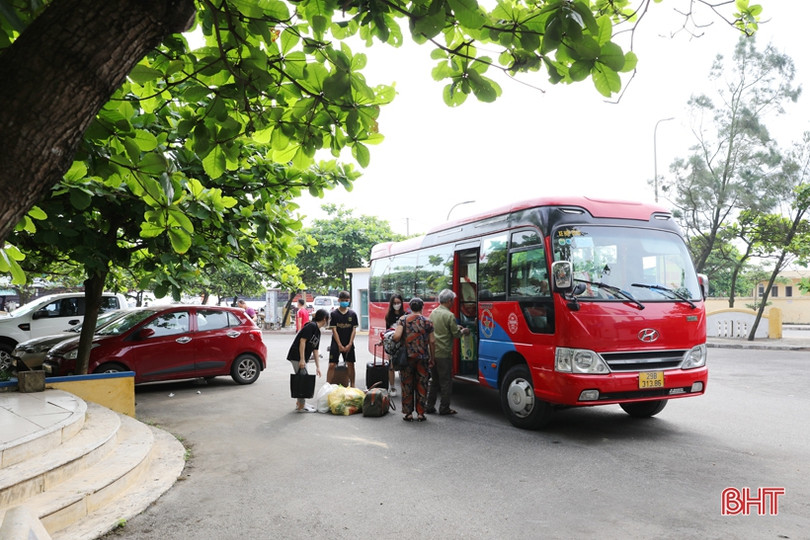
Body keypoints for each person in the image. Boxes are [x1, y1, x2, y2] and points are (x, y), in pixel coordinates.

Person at [427, 289, 470, 416]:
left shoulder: (433, 313)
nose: (453, 303)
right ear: (449, 300)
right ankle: (444, 408)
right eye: (453, 301)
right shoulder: (449, 315)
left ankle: (429, 406)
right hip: (444, 353)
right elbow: (455, 334)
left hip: (433, 352)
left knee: (434, 381)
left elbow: (439, 330)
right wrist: (464, 331)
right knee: (445, 382)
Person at [393, 297, 434, 422]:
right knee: (422, 384)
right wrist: (432, 358)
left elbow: (396, 337)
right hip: (423, 358)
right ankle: (421, 413)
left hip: (407, 358)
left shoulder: (403, 320)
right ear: (422, 307)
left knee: (407, 384)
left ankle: (408, 413)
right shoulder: (428, 322)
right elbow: (432, 341)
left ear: (410, 307)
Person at [286, 309, 328, 412]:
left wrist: (318, 367)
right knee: (302, 379)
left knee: (303, 378)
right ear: (324, 318)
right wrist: (302, 359)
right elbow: (302, 341)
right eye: (328, 319)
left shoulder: (317, 331)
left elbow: (315, 350)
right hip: (296, 356)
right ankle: (301, 406)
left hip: (302, 358)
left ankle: (301, 403)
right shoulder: (311, 326)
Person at [327, 291, 359, 387]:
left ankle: (352, 385)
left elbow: (354, 330)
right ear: (339, 300)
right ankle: (327, 385)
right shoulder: (334, 314)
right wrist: (339, 345)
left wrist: (350, 344)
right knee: (332, 365)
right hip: (336, 343)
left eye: (346, 300)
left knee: (350, 364)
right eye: (343, 300)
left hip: (349, 343)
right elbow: (334, 330)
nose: (345, 302)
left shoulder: (352, 314)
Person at [383, 293, 407, 396]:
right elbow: (387, 330)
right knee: (391, 366)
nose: (397, 305)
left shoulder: (405, 315)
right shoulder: (389, 316)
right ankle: (392, 388)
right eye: (394, 303)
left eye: (398, 303)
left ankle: (404, 387)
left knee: (402, 365)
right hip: (391, 344)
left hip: (402, 344)